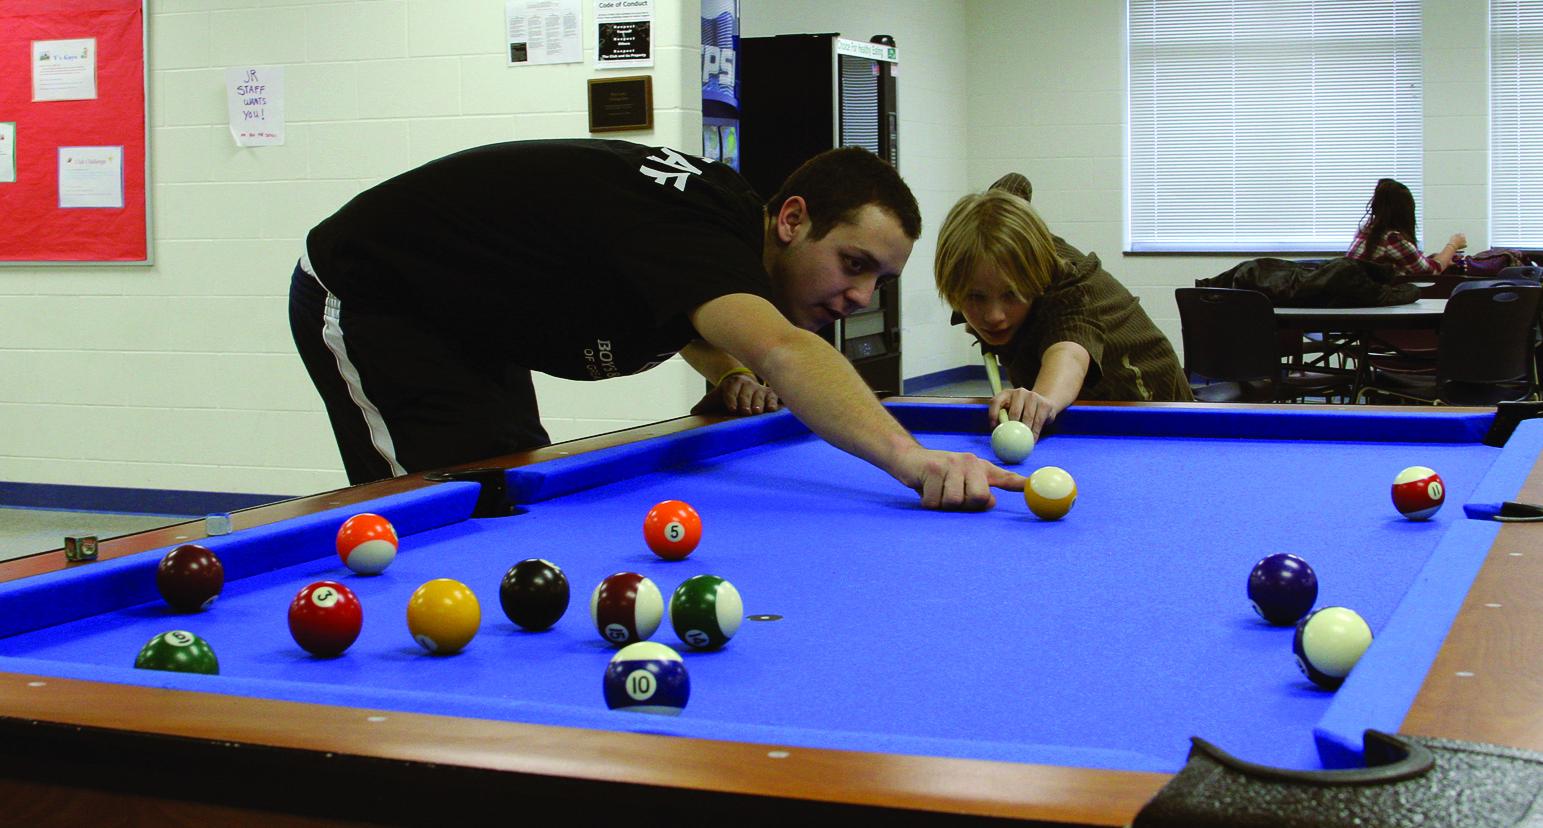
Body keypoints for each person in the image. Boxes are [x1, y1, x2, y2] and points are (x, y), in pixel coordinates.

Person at [290, 139, 1023, 510]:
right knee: (443, 507)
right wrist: (909, 458)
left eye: (879, 281)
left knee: (502, 487)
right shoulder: (700, 235)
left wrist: (725, 370)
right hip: (374, 294)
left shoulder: (723, 244)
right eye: (853, 263)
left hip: (471, 320)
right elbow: (782, 348)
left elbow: (691, 316)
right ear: (792, 220)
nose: (859, 296)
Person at [934, 173, 1193, 437]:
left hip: (1139, 387)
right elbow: (1016, 183)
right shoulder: (989, 234)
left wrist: (1040, 399)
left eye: (1011, 295)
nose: (994, 316)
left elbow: (1069, 352)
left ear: (1035, 281)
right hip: (1053, 379)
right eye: (976, 297)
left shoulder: (1066, 282)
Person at [1347, 178, 1466, 280]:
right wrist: (1453, 244)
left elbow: (1414, 264)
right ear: (1405, 212)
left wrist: (1436, 258)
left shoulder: (1366, 230)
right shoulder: (1392, 238)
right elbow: (1431, 271)